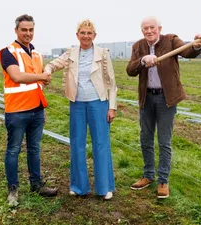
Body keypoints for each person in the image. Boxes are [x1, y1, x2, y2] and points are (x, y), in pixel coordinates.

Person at [126, 16, 201, 198]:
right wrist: (142, 61)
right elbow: (130, 70)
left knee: (164, 141)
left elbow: (188, 52)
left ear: (159, 28)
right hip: (146, 98)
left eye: (152, 27)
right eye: (145, 28)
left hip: (166, 99)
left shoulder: (171, 40)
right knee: (146, 139)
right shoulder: (138, 46)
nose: (149, 31)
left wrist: (197, 44)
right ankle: (148, 176)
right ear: (142, 31)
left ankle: (163, 180)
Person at [44, 19, 117, 200]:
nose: (86, 36)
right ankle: (78, 186)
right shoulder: (71, 53)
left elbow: (112, 83)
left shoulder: (103, 54)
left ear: (94, 36)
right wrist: (46, 70)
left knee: (101, 144)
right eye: (82, 33)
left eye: (89, 33)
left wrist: (112, 107)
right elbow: (53, 65)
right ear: (77, 35)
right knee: (76, 143)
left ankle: (104, 188)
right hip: (76, 103)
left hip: (98, 103)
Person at [0, 14, 57, 206]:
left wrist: (42, 109)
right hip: (17, 111)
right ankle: (13, 189)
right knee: (13, 150)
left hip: (37, 111)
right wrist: (42, 76)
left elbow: (37, 85)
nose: (28, 33)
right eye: (24, 29)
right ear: (16, 31)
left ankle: (36, 185)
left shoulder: (37, 54)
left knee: (34, 149)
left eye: (31, 30)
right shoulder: (8, 52)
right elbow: (16, 76)